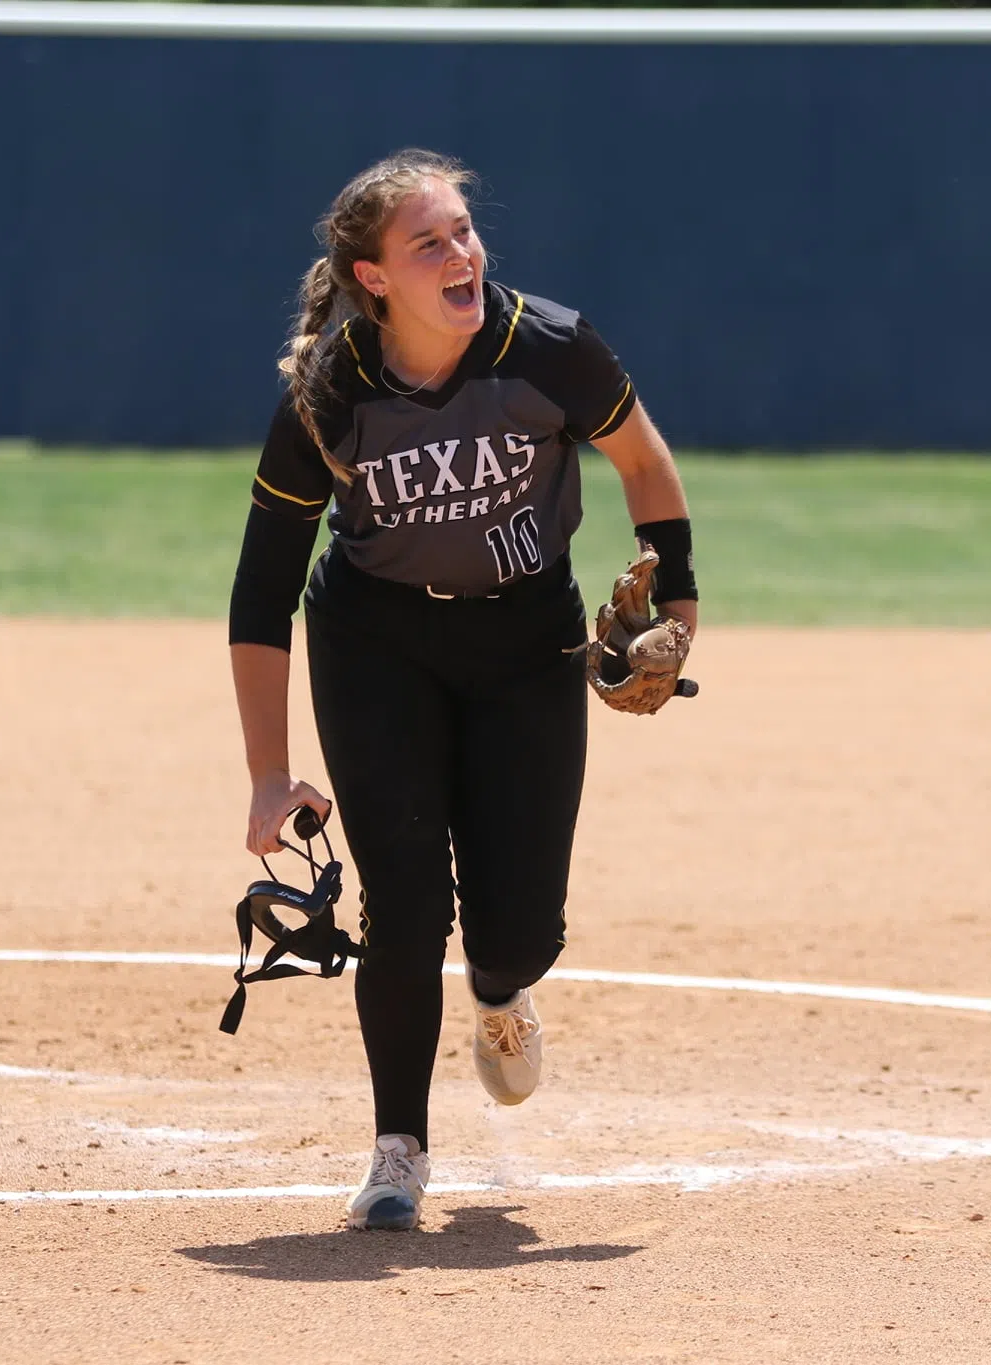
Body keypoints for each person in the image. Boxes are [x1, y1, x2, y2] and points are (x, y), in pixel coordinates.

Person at [227, 149, 698, 1231]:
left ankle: (501, 992)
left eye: (463, 231)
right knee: (403, 910)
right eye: (427, 241)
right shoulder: (329, 393)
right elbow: (262, 592)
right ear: (372, 276)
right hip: (375, 645)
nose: (460, 253)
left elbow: (643, 465)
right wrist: (266, 774)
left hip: (524, 643)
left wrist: (674, 630)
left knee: (519, 927)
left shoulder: (548, 348)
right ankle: (397, 1151)